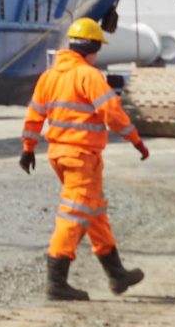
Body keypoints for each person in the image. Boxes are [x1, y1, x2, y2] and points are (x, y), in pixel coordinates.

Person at [20, 17, 149, 301]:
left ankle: (117, 275)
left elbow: (34, 116)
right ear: (92, 48)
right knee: (74, 215)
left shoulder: (49, 77)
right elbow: (112, 113)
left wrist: (28, 148)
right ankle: (56, 281)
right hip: (81, 157)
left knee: (94, 211)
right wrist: (137, 141)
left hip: (59, 155)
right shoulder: (89, 76)